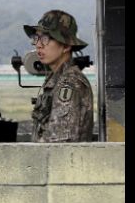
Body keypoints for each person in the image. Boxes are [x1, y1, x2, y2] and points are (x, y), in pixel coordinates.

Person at [23, 10, 93, 142]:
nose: (38, 45)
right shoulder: (56, 79)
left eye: (45, 39)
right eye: (36, 38)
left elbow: (59, 140)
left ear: (66, 46)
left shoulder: (70, 82)